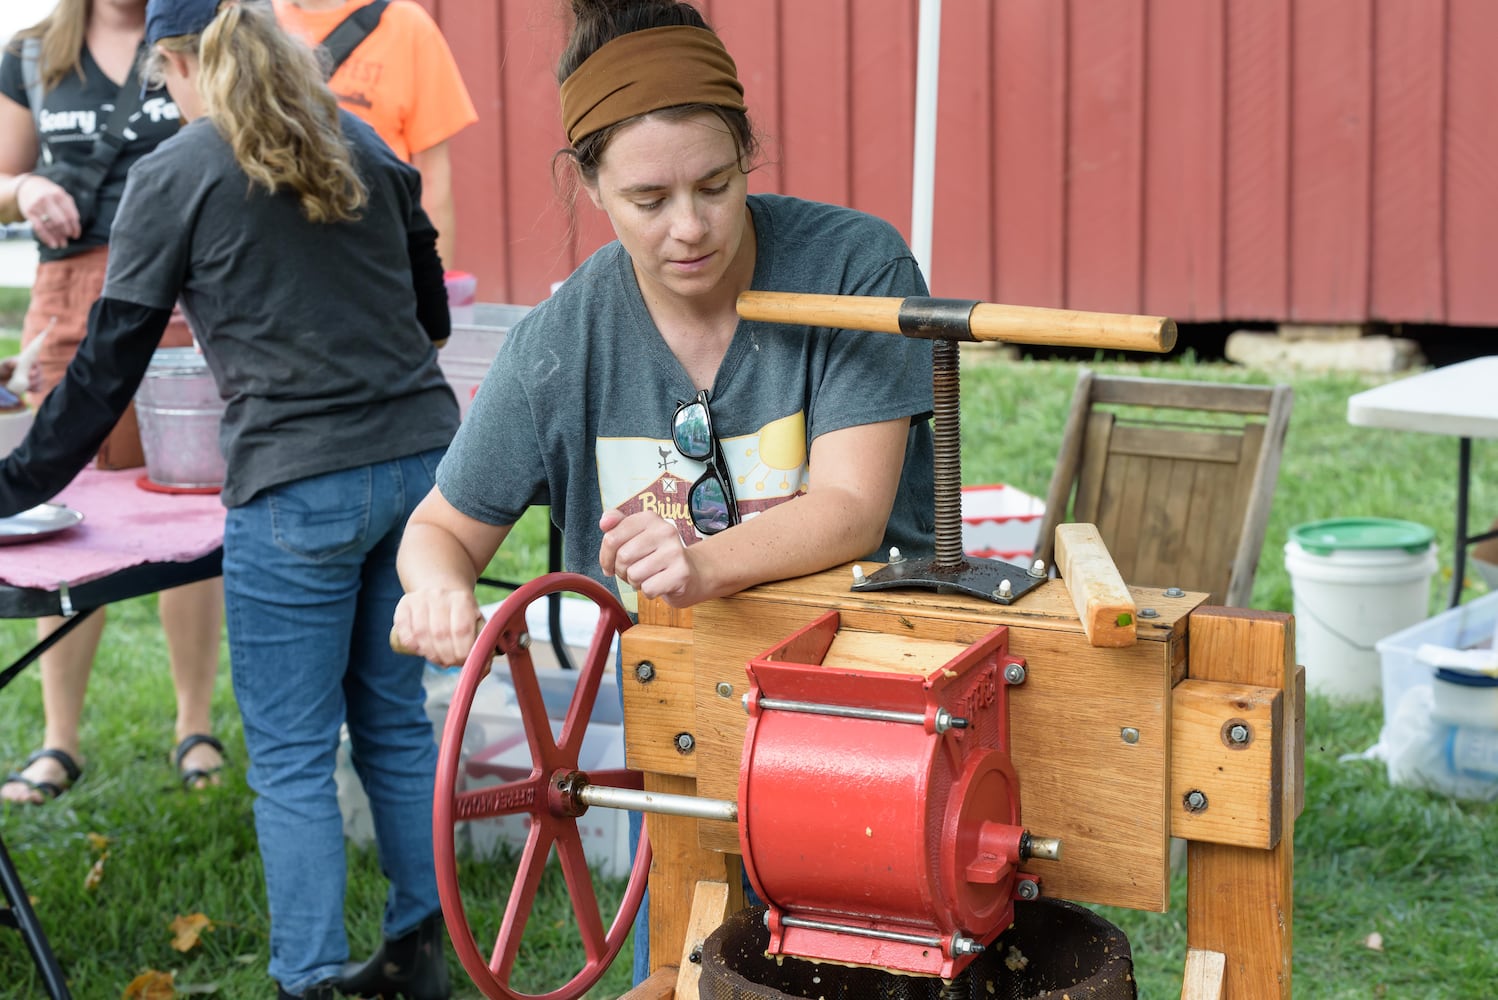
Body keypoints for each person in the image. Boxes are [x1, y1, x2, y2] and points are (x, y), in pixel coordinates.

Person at [391, 0, 935, 985]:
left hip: (875, 726)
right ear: (590, 184)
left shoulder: (854, 265)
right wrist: (432, 585)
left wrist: (697, 561)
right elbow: (440, 530)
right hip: (684, 746)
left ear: (746, 163)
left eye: (714, 187)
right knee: (689, 968)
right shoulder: (563, 341)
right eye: (648, 198)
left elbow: (852, 505)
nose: (689, 228)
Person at [0, 0, 460, 995]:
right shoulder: (364, 143)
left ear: (176, 62)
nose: (162, 93)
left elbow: (107, 368)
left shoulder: (177, 172)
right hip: (423, 472)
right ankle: (426, 954)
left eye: (162, 79)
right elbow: (430, 312)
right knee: (393, 722)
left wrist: (12, 485)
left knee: (292, 751)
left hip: (298, 486)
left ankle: (310, 977)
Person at [0, 0, 225, 804]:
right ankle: (59, 740)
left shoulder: (200, 38)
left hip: (185, 291)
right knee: (53, 505)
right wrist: (25, 188)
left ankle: (193, 724)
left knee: (184, 503)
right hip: (67, 297)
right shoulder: (32, 54)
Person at [272, 0, 477, 268]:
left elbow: (433, 177)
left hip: (378, 257)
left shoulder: (406, 26)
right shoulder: (252, 21)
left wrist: (436, 288)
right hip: (280, 255)